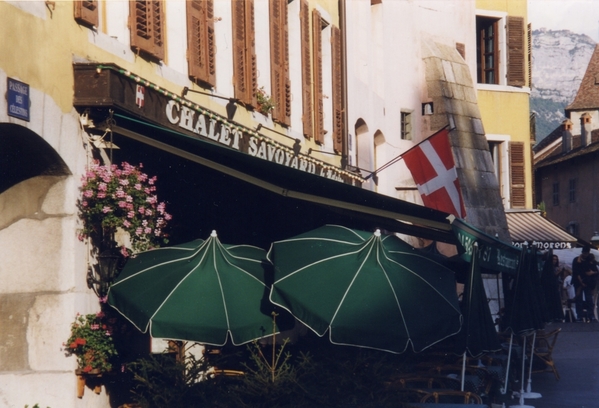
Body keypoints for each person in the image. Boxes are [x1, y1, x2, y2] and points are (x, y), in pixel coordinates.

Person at [572, 245, 598, 322]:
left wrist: (593, 273)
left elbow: (576, 272)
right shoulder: (588, 260)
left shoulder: (578, 260)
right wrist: (593, 273)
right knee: (585, 299)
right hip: (585, 282)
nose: (585, 254)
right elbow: (576, 272)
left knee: (584, 299)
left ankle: (582, 316)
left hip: (582, 282)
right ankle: (588, 315)